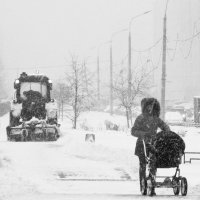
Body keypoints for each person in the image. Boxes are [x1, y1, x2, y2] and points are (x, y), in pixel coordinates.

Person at [131, 97, 170, 195]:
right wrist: (143, 134)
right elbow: (133, 131)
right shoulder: (140, 118)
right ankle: (143, 186)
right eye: (148, 106)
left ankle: (152, 185)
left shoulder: (156, 119)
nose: (150, 108)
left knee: (153, 164)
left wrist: (167, 132)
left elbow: (164, 127)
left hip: (153, 145)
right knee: (143, 166)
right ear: (144, 106)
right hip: (142, 144)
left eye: (152, 106)